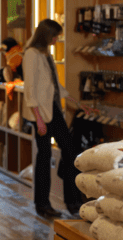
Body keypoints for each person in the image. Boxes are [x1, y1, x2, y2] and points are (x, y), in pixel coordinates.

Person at [22, 19, 81, 219]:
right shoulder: (31, 54)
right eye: (55, 36)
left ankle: (72, 201)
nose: (57, 39)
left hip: (51, 109)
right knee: (44, 156)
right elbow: (30, 90)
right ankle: (43, 204)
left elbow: (55, 86)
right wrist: (38, 119)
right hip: (40, 112)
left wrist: (78, 103)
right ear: (47, 35)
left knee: (70, 149)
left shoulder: (46, 54)